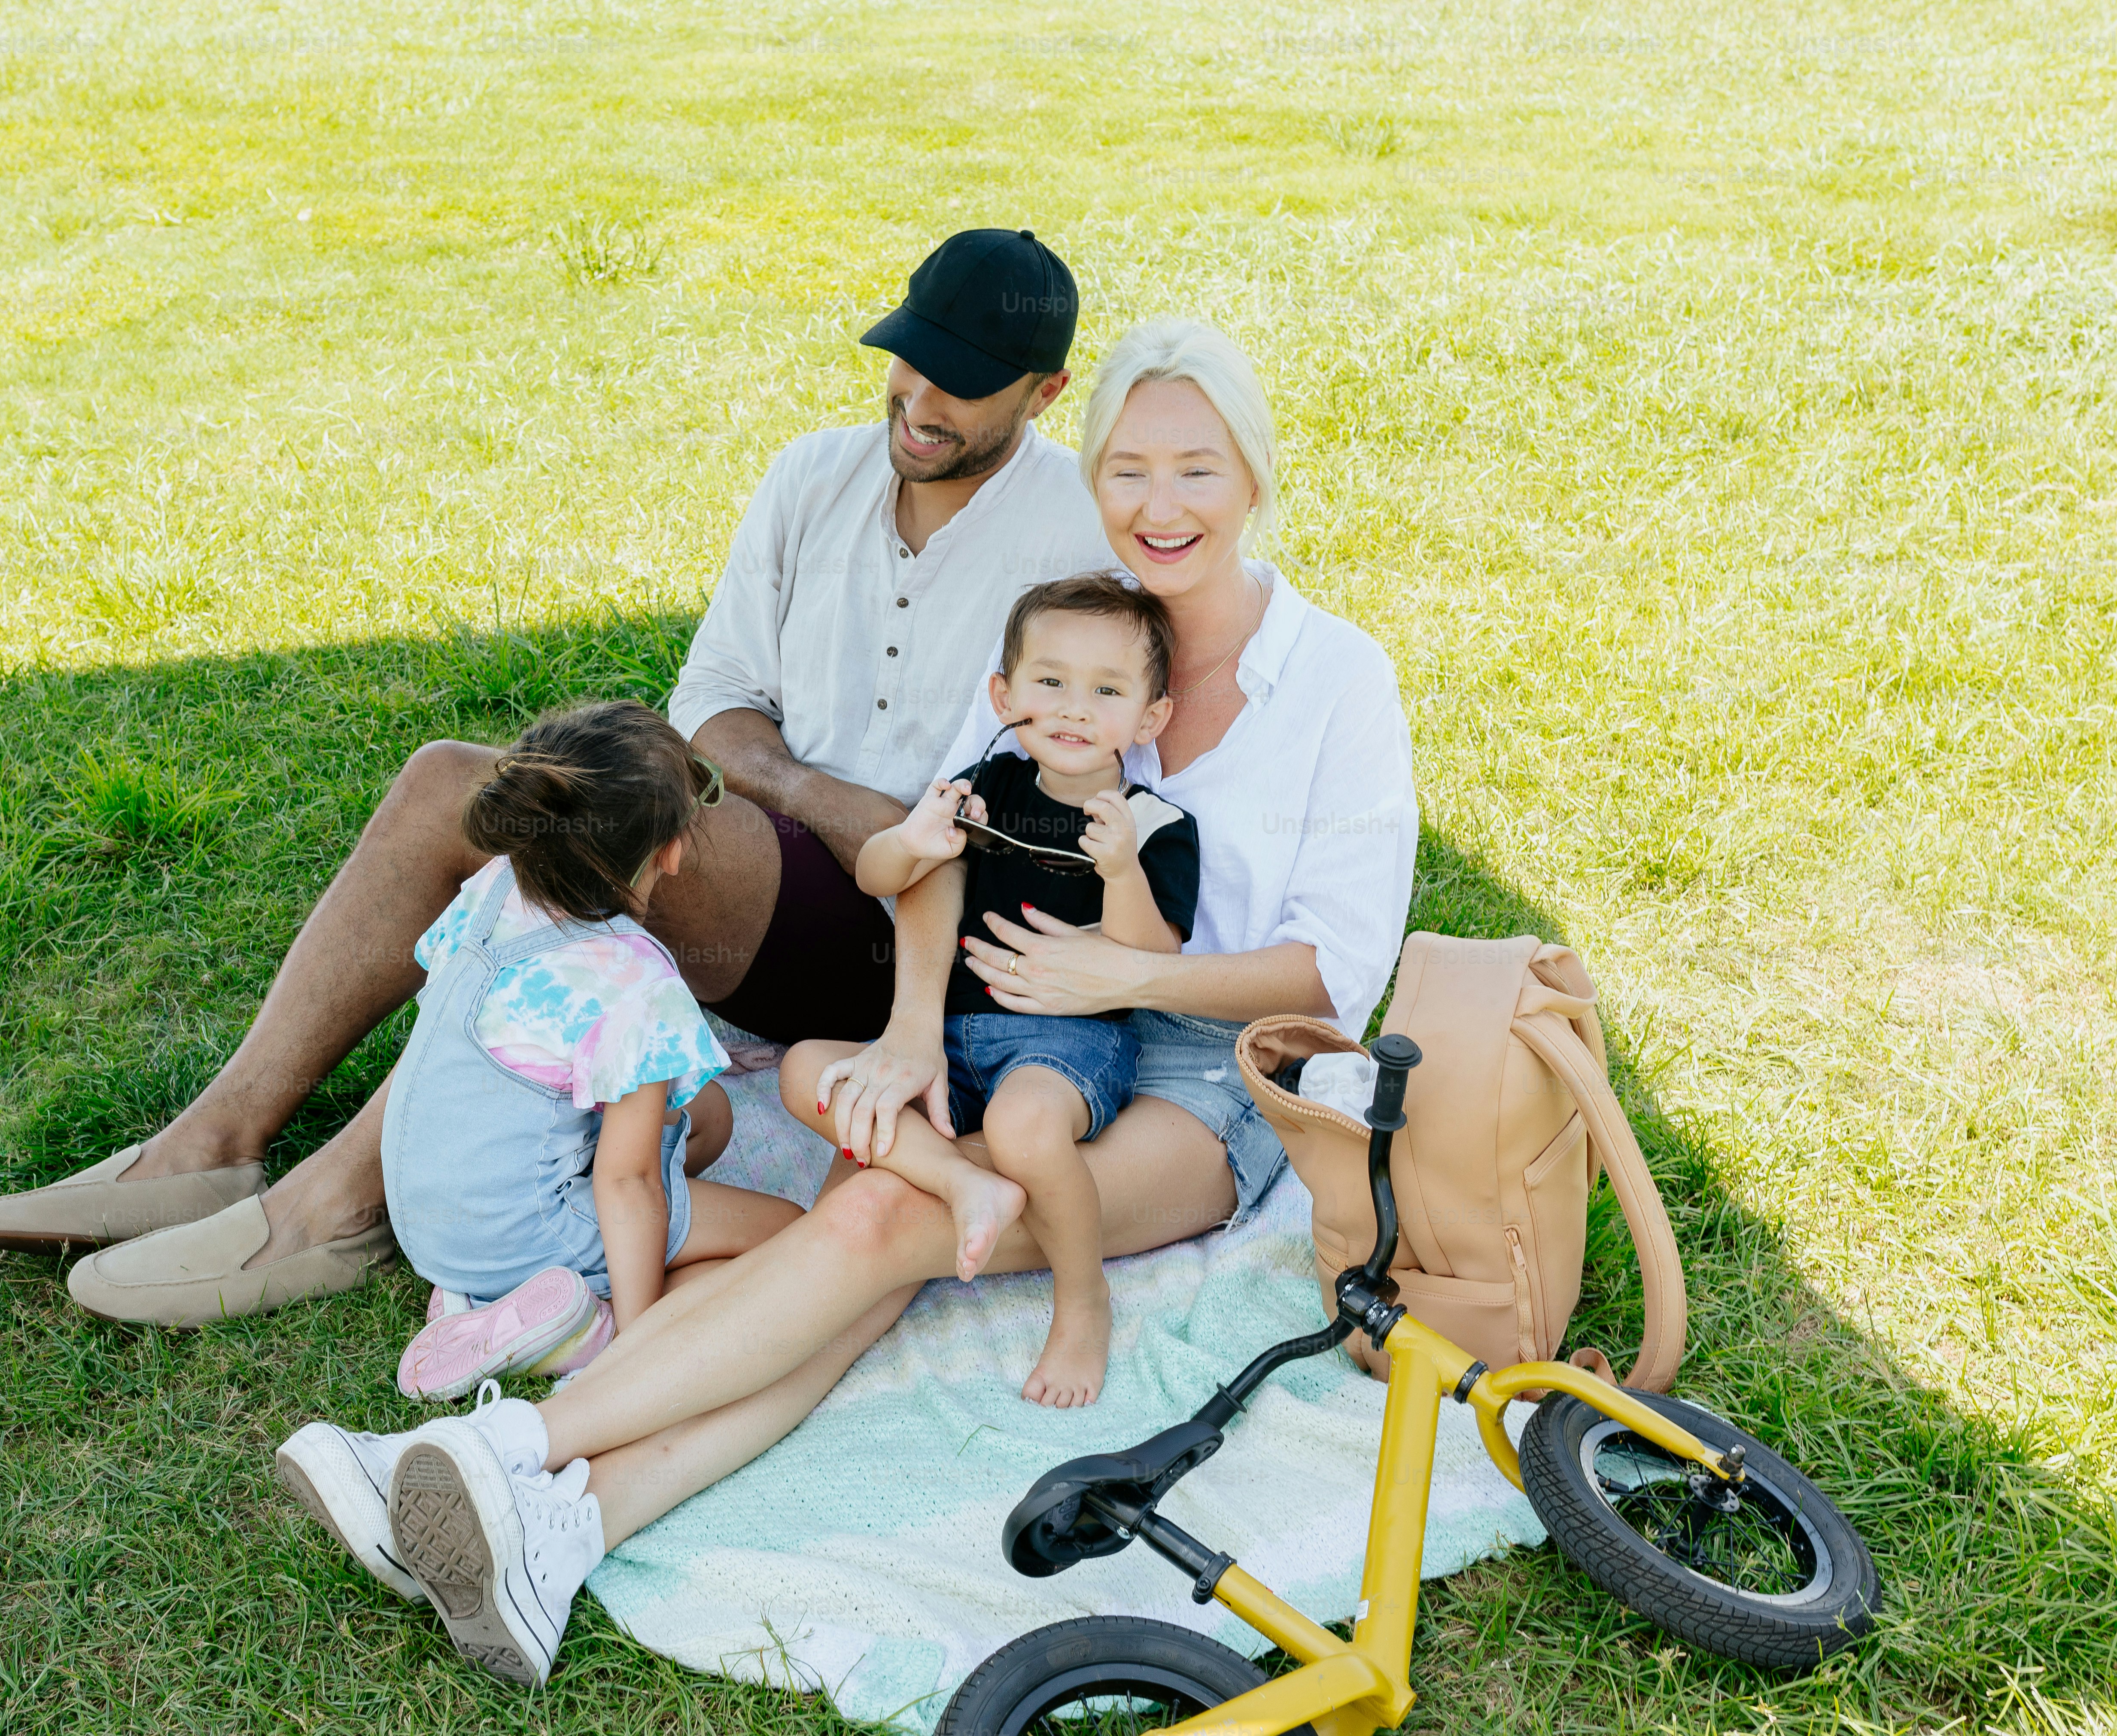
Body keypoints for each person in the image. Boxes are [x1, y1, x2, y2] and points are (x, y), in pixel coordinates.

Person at [275, 318, 1420, 1690]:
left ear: (1254, 476)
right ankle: (564, 1533)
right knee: (874, 1231)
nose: (1159, 509)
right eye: (1127, 472)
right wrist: (912, 1030)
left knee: (881, 1214)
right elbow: (931, 856)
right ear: (1091, 477)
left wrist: (1128, 975)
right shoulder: (1061, 645)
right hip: (1003, 1020)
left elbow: (1333, 977)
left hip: (1202, 1073)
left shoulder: (1339, 677)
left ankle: (502, 1453)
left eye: (1196, 472)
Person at [0, 227, 1114, 1325]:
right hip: (788, 846)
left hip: (914, 928)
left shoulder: (1075, 534)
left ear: (1043, 394)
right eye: (906, 361)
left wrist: (872, 826)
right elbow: (711, 701)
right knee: (452, 784)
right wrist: (811, 792)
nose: (916, 398)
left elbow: (1067, 773)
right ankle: (214, 1146)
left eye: (959, 382)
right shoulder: (815, 477)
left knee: (553, 845)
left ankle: (337, 1206)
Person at [791, 571, 1198, 1407]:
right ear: (1003, 694)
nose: (1074, 708)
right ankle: (956, 1181)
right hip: (949, 1035)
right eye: (1049, 681)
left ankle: (1082, 1298)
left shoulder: (1154, 822)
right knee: (808, 1068)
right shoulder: (986, 790)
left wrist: (1119, 869)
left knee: (1022, 1125)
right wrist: (911, 840)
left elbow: (1152, 954)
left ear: (1149, 716)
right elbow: (881, 873)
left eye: (1107, 689)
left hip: (1068, 1039)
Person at [373, 701, 805, 1404]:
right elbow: (627, 1183)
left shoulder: (495, 887)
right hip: (525, 1226)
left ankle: (475, 1302)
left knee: (710, 1112)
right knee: (790, 1242)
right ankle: (590, 1331)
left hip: (430, 1220)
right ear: (672, 850)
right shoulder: (634, 980)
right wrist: (641, 1347)